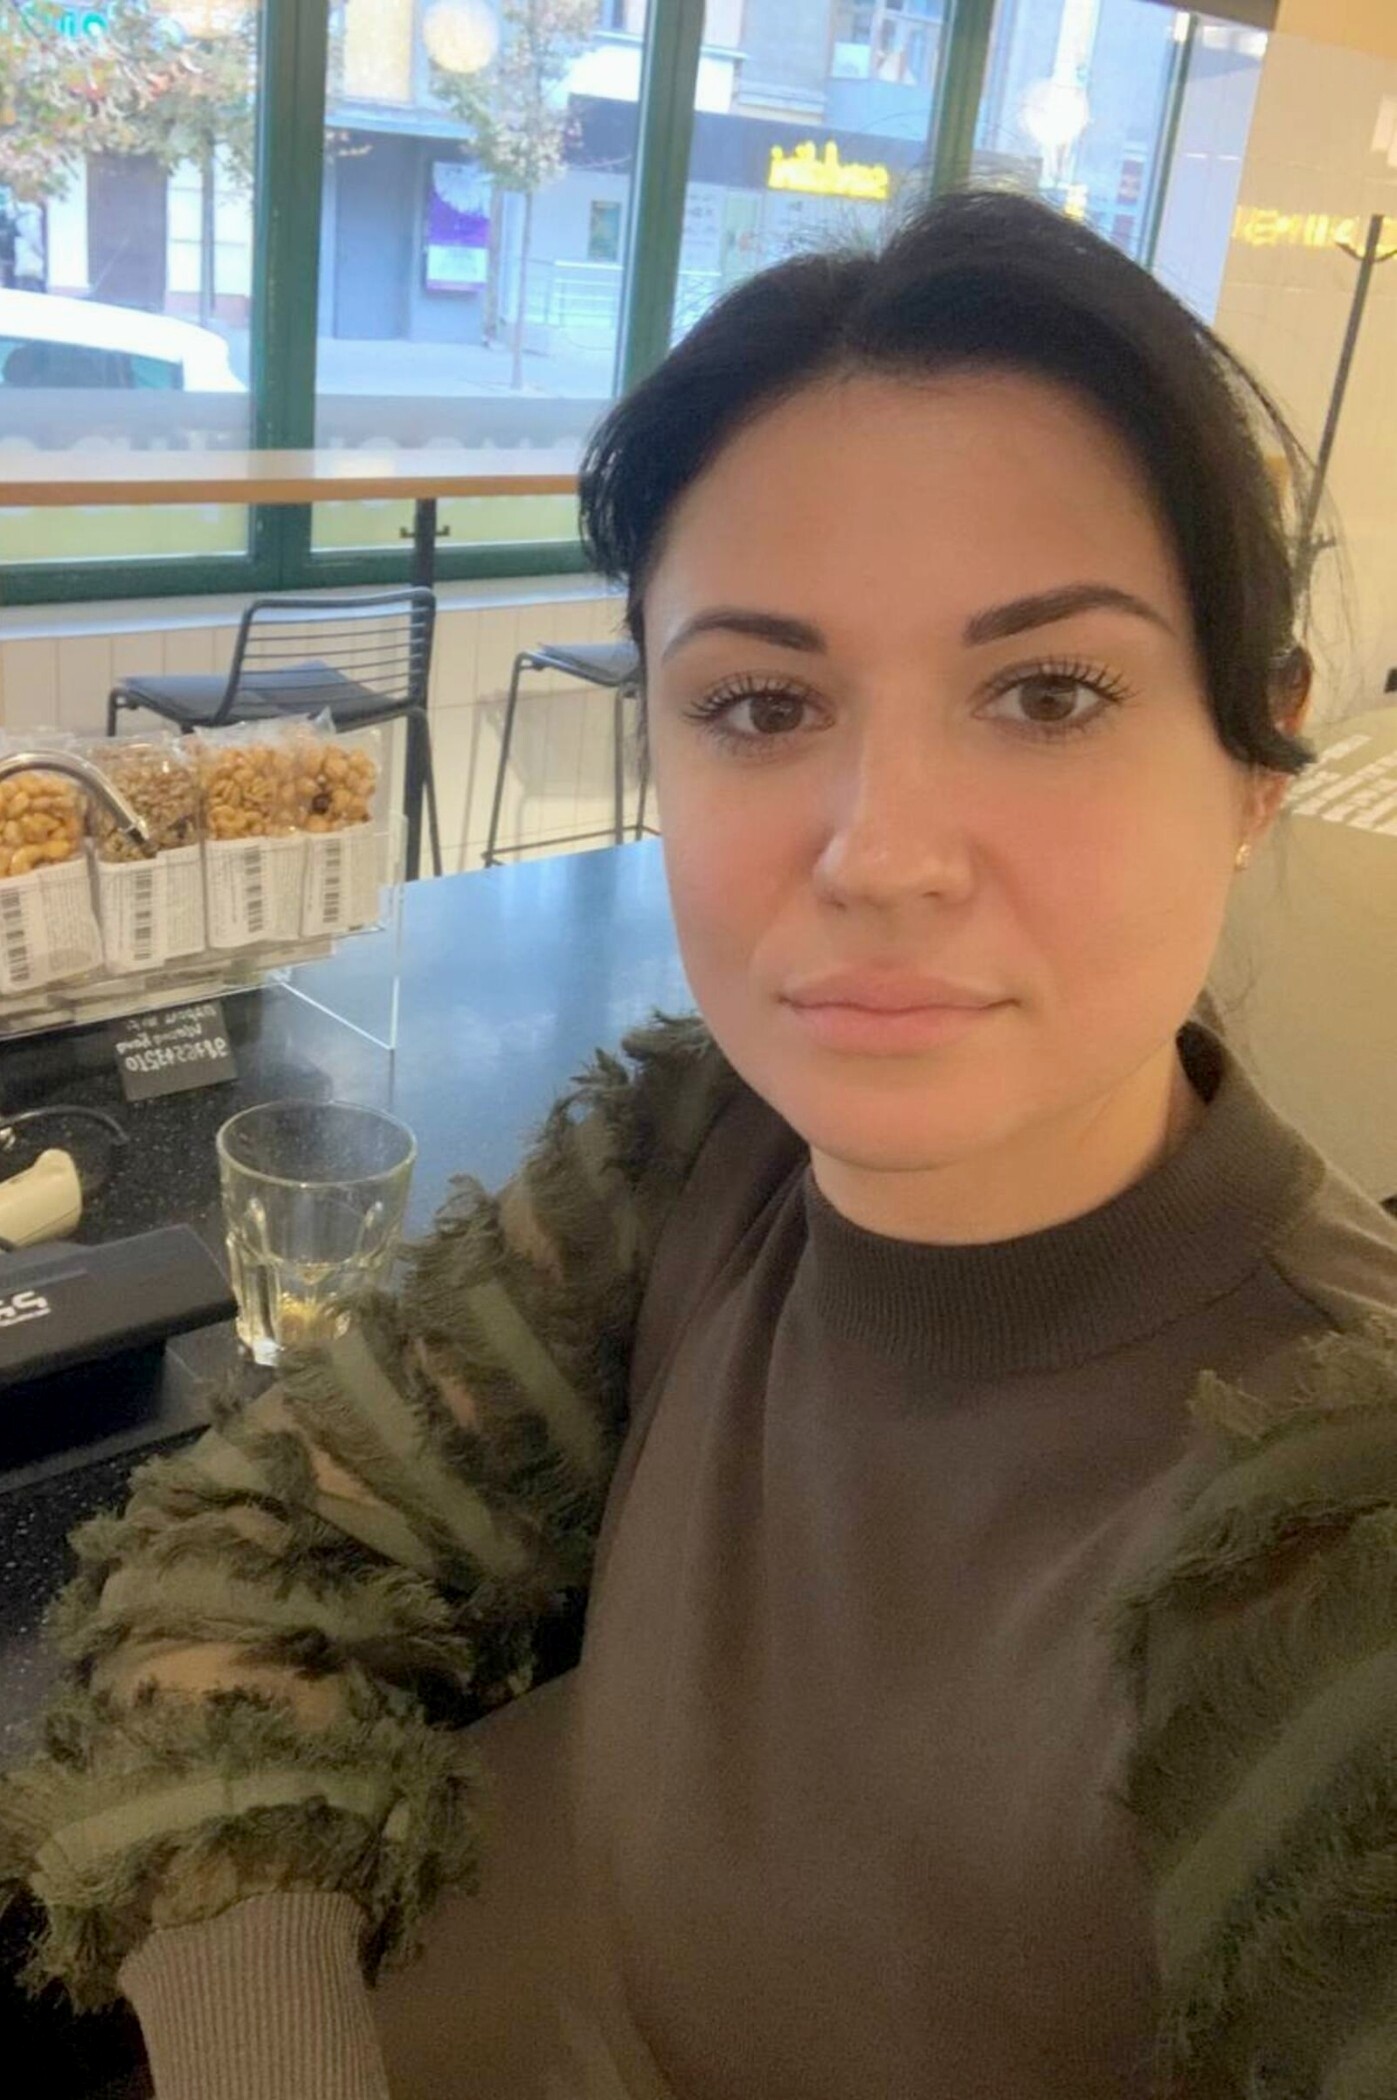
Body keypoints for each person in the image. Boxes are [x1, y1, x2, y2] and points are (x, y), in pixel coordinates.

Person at [4, 187, 1397, 2100]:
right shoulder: (694, 1167)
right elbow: (258, 1546)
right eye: (759, 704)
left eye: (1048, 693)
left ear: (1256, 758)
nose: (882, 852)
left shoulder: (1332, 1535)